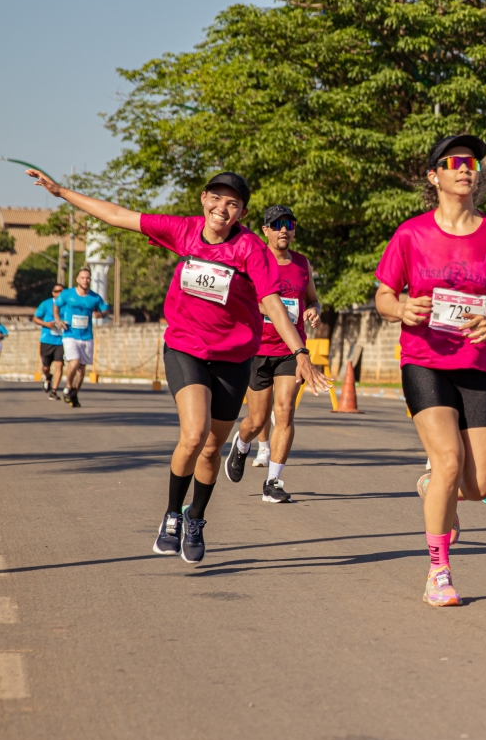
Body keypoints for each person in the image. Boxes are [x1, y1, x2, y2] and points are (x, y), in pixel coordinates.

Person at [27, 168, 330, 565]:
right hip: (186, 348)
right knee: (194, 434)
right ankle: (171, 515)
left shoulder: (250, 249)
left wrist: (300, 352)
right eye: (216, 198)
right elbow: (118, 215)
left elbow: (272, 302)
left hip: (234, 357)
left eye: (232, 203)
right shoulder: (183, 231)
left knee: (212, 448)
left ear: (242, 212)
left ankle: (195, 518)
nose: (222, 208)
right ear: (204, 199)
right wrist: (62, 191)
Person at [374, 135, 486, 606]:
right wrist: (402, 309)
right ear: (434, 175)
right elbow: (383, 296)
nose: (465, 168)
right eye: (454, 162)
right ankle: (438, 572)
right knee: (447, 460)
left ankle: (434, 489)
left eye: (471, 162)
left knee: (481, 485)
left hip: (480, 364)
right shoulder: (411, 234)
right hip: (425, 361)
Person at [223, 204, 322, 503]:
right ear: (265, 230)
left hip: (292, 351)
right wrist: (267, 308)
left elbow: (313, 299)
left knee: (285, 411)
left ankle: (273, 481)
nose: (283, 230)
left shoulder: (302, 264)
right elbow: (238, 299)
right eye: (277, 225)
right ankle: (242, 443)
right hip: (258, 348)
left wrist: (314, 310)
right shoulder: (255, 261)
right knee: (257, 419)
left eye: (289, 225)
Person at [52, 267, 109, 407]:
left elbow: (105, 309)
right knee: (74, 362)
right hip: (70, 334)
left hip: (87, 336)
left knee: (81, 370)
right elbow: (56, 306)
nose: (85, 280)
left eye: (88, 278)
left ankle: (74, 394)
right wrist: (58, 320)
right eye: (82, 278)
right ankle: (68, 387)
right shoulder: (67, 294)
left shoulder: (94, 297)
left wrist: (101, 314)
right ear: (77, 279)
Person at [32, 283, 66, 399]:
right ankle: (47, 377)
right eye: (57, 291)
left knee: (59, 365)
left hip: (61, 341)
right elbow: (35, 318)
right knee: (45, 367)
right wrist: (46, 324)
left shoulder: (68, 305)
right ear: (53, 293)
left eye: (61, 291)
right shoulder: (46, 304)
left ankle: (54, 391)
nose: (59, 293)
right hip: (46, 339)